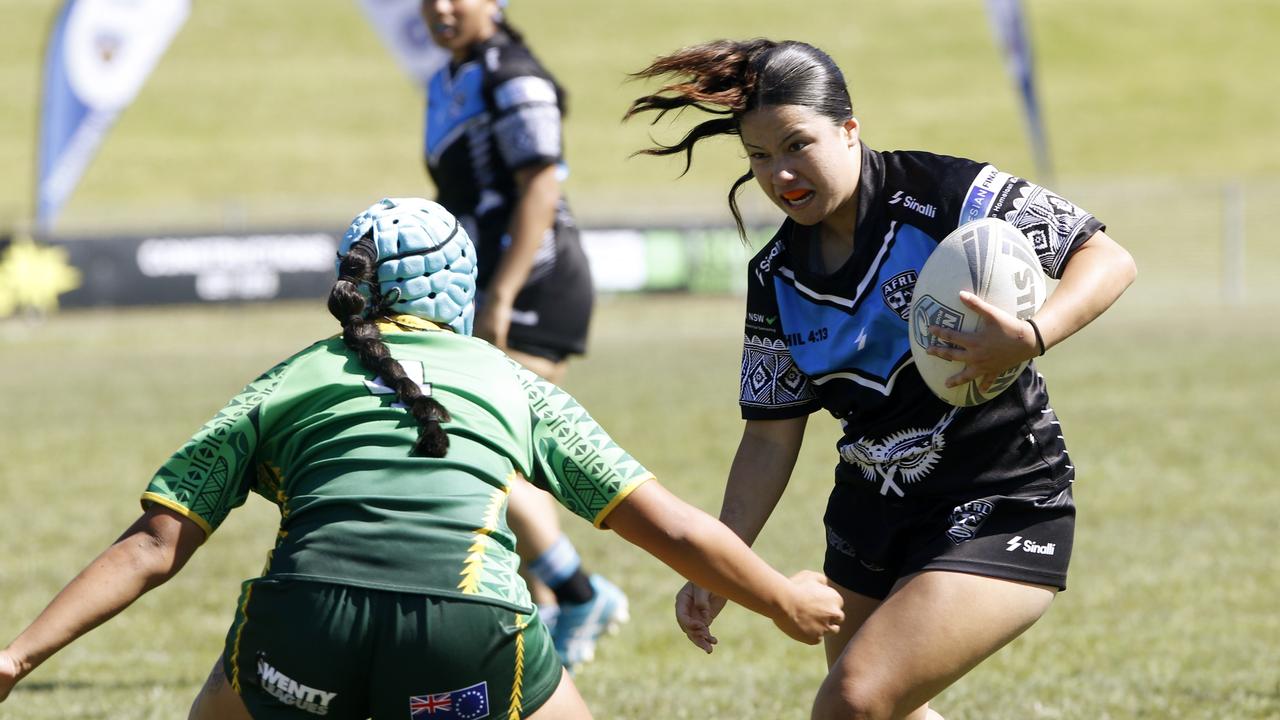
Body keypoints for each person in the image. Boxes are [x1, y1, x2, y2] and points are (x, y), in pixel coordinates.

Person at [0, 198, 844, 719]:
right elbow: (667, 526)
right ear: (459, 289)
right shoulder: (515, 385)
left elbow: (155, 545)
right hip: (465, 631)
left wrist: (16, 657)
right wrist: (780, 601)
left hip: (302, 625)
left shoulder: (285, 380)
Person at [625, 40, 1137, 720]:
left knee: (854, 701)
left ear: (849, 129)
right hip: (870, 517)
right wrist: (722, 559)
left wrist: (1031, 335)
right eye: (758, 156)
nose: (780, 174)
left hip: (1001, 498)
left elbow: (1105, 257)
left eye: (795, 144)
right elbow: (770, 437)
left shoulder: (949, 193)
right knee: (878, 712)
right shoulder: (774, 275)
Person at [419, 0, 617, 669]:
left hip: (534, 284)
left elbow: (539, 186)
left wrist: (498, 293)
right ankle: (541, 619)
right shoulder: (450, 77)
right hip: (488, 286)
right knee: (498, 453)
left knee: (483, 453)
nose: (441, 7)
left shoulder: (514, 74)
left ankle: (577, 594)